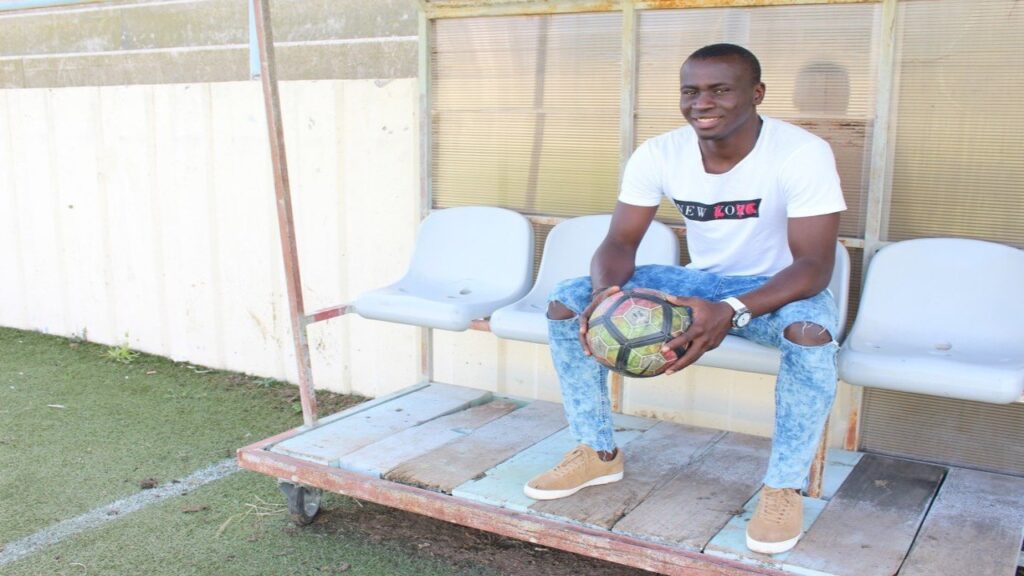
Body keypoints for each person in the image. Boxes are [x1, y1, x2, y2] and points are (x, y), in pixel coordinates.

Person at [523, 43, 846, 556]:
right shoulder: (660, 153)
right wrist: (606, 301)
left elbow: (813, 267)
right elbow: (619, 243)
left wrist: (731, 311)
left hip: (777, 290)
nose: (702, 103)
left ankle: (784, 488)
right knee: (568, 301)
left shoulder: (801, 153)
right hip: (701, 285)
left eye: (720, 90)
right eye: (691, 91)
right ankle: (597, 451)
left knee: (810, 337)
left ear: (757, 94)